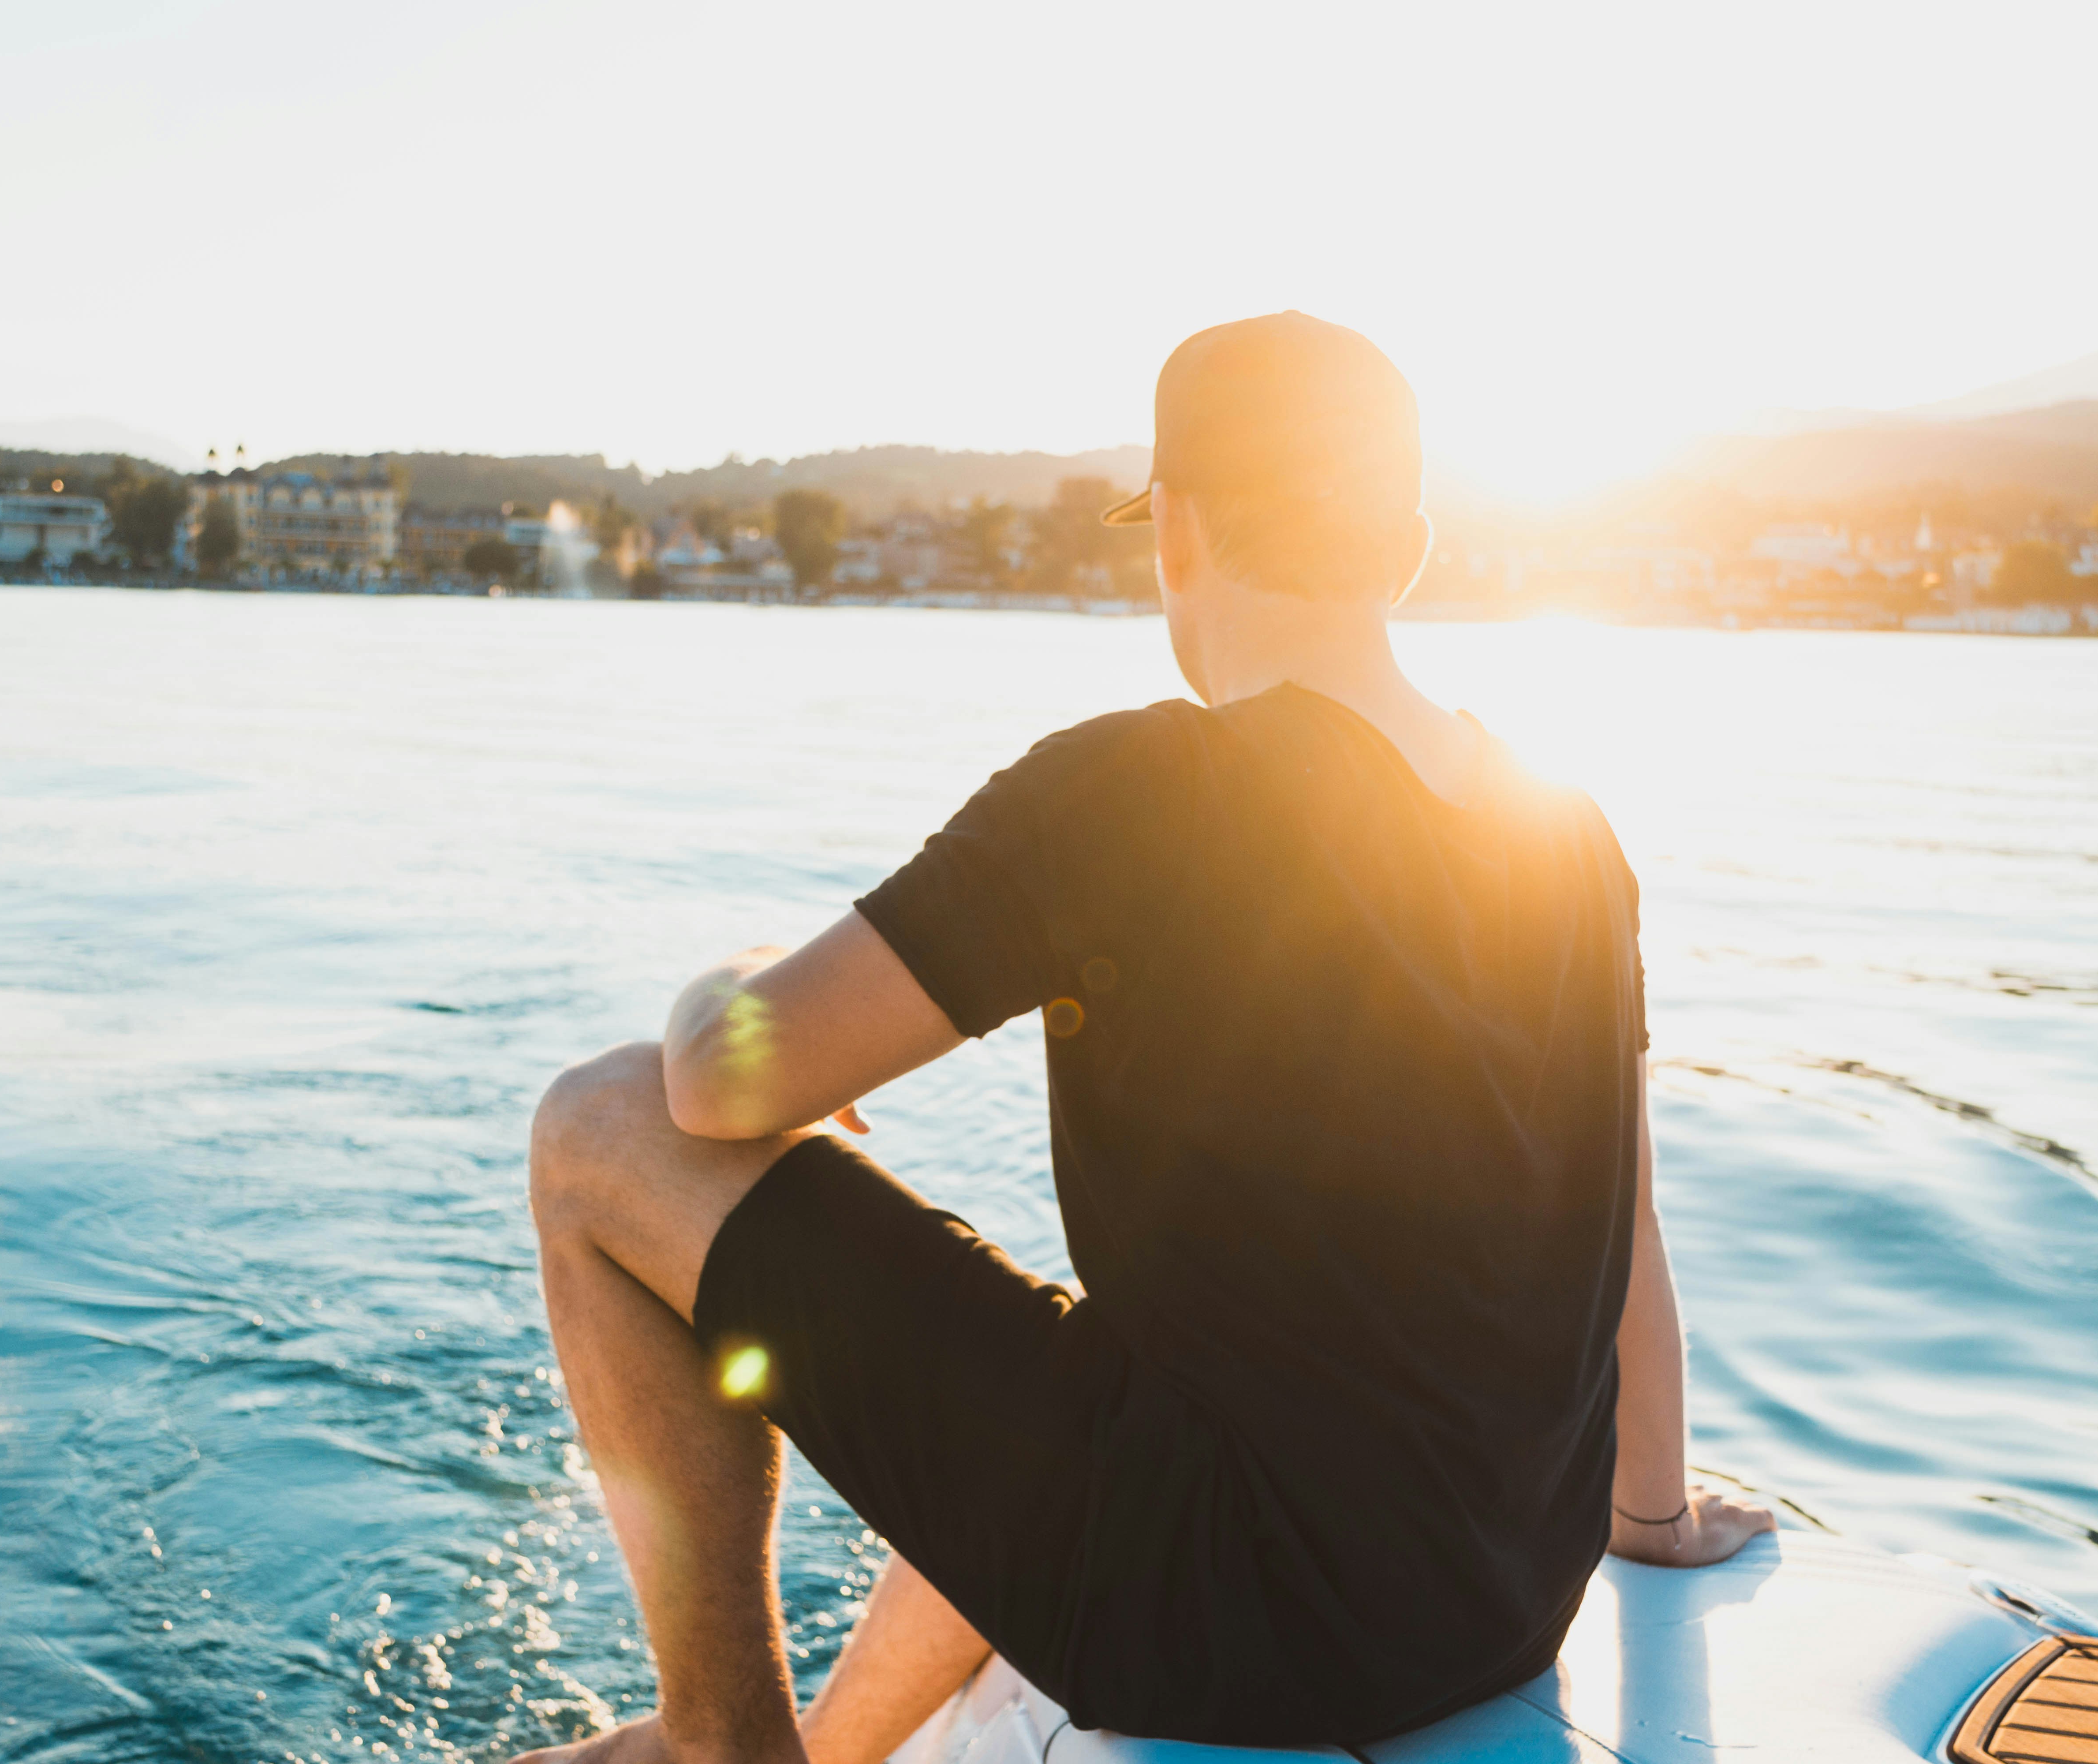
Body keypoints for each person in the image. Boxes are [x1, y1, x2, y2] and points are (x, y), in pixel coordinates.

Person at [513, 313, 1773, 1764]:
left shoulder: (1132, 794)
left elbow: (714, 1082)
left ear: (1175, 534)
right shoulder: (1565, 832)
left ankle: (713, 1743)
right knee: (1088, 1351)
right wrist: (1653, 1520)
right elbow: (1632, 1225)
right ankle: (843, 1746)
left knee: (599, 1124)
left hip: (1235, 1634)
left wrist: (738, 974)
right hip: (1498, 1603)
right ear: (1406, 547)